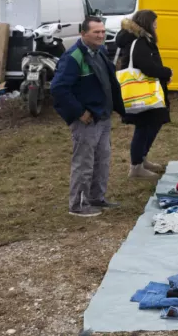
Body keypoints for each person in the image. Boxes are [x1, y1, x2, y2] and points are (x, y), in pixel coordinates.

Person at [52, 17, 125, 217]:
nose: (101, 35)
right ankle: (77, 205)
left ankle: (96, 198)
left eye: (102, 31)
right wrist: (79, 112)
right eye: (96, 32)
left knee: (102, 159)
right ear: (83, 34)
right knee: (84, 162)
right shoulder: (73, 57)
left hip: (102, 116)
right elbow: (59, 89)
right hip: (87, 119)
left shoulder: (100, 52)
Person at [114, 10, 173, 180]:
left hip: (149, 91)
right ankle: (136, 166)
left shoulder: (141, 39)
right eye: (154, 22)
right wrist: (166, 72)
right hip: (143, 94)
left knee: (153, 124)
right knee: (144, 127)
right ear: (147, 23)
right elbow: (147, 66)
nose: (156, 26)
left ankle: (142, 158)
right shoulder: (139, 42)